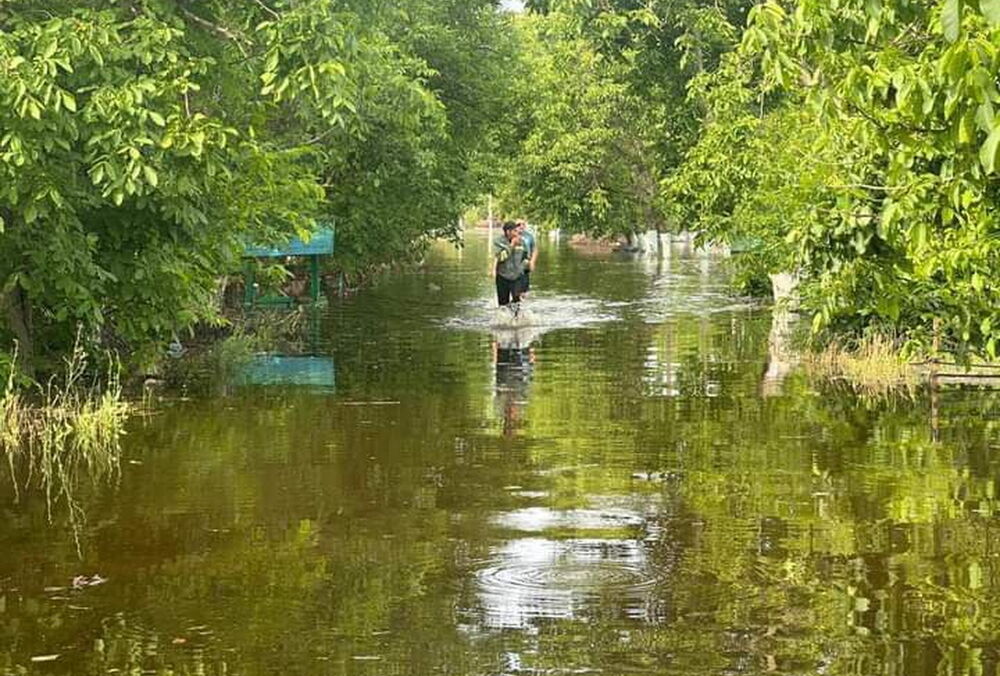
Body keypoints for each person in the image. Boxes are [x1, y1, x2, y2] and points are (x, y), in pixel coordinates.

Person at [492, 221, 527, 307]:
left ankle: (516, 319)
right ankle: (504, 319)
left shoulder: (522, 241)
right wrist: (511, 246)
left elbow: (525, 260)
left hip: (517, 278)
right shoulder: (498, 241)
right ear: (508, 232)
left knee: (517, 304)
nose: (517, 233)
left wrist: (525, 284)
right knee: (503, 305)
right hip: (502, 277)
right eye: (514, 231)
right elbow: (500, 258)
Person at [516, 220, 538, 297]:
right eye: (518, 224)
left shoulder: (529, 236)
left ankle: (522, 302)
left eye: (523, 224)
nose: (521, 226)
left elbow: (534, 249)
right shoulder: (512, 235)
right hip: (514, 265)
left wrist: (532, 262)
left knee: (524, 287)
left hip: (526, 263)